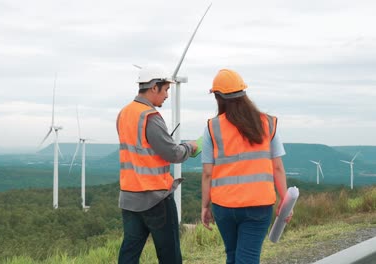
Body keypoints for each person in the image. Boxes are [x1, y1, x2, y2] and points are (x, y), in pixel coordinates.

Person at [200, 69, 292, 264]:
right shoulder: (268, 123)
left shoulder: (212, 127)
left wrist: (205, 206)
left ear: (218, 97)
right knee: (247, 258)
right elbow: (277, 168)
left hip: (223, 206)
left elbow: (208, 173)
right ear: (243, 93)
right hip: (259, 205)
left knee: (232, 255)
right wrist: (285, 201)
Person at [116, 66, 198, 264]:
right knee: (169, 253)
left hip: (129, 197)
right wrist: (190, 146)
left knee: (129, 252)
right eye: (166, 90)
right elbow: (172, 153)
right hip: (155, 198)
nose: (167, 95)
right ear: (154, 87)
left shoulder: (124, 114)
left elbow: (141, 151)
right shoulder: (150, 117)